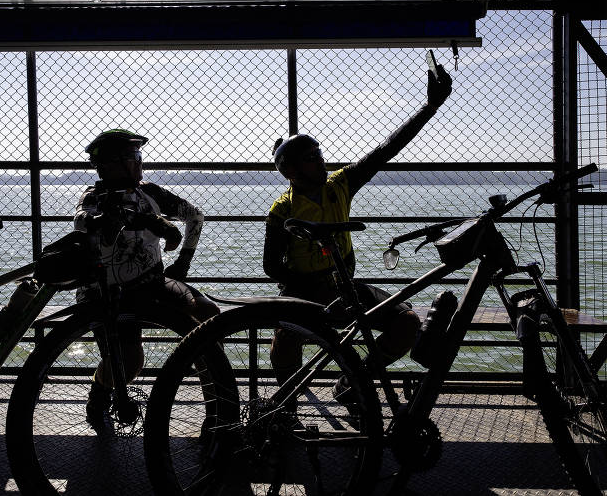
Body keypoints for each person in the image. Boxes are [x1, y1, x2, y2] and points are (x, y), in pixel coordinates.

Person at [264, 63, 453, 403]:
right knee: (284, 339)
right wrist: (307, 288)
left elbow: (386, 150)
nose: (321, 161)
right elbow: (271, 267)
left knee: (408, 323)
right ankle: (287, 403)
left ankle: (351, 385)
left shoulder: (341, 184)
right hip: (303, 291)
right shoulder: (281, 211)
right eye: (311, 157)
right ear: (290, 170)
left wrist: (431, 107)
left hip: (345, 288)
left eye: (319, 153)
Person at [75, 128, 219, 432]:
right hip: (107, 292)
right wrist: (146, 221)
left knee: (208, 315)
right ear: (110, 165)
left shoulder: (151, 192)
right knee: (130, 362)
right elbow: (83, 220)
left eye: (139, 156)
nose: (140, 163)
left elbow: (195, 215)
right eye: (134, 157)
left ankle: (218, 409)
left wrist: (184, 262)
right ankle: (99, 395)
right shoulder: (95, 197)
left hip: (152, 283)